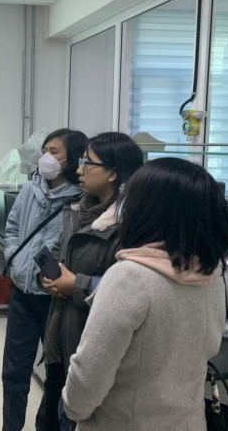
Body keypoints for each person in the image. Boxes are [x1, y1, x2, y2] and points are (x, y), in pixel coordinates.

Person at [62, 158, 228, 431]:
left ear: (148, 210)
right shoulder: (217, 276)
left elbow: (87, 382)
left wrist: (72, 408)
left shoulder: (130, 278)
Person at [41, 133, 144, 430]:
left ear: (113, 173)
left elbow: (128, 290)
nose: (78, 170)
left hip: (91, 347)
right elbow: (59, 251)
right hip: (61, 337)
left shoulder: (129, 226)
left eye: (88, 163)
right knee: (50, 417)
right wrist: (49, 276)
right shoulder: (79, 210)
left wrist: (76, 285)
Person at [1, 129, 87, 431]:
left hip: (55, 299)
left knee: (56, 373)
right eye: (45, 150)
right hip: (22, 295)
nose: (46, 158)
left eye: (54, 152)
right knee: (14, 372)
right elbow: (12, 227)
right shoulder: (30, 189)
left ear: (71, 160)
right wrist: (15, 259)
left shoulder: (81, 201)